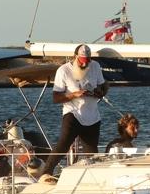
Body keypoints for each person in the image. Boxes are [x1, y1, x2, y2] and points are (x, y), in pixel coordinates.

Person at [38, 43, 107, 179]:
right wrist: (74, 95)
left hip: (92, 116)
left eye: (87, 61)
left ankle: (94, 179)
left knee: (92, 152)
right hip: (73, 113)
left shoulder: (95, 66)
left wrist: (100, 92)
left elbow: (103, 86)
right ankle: (46, 173)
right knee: (63, 145)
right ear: (75, 57)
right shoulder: (63, 70)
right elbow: (56, 98)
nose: (84, 64)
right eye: (82, 61)